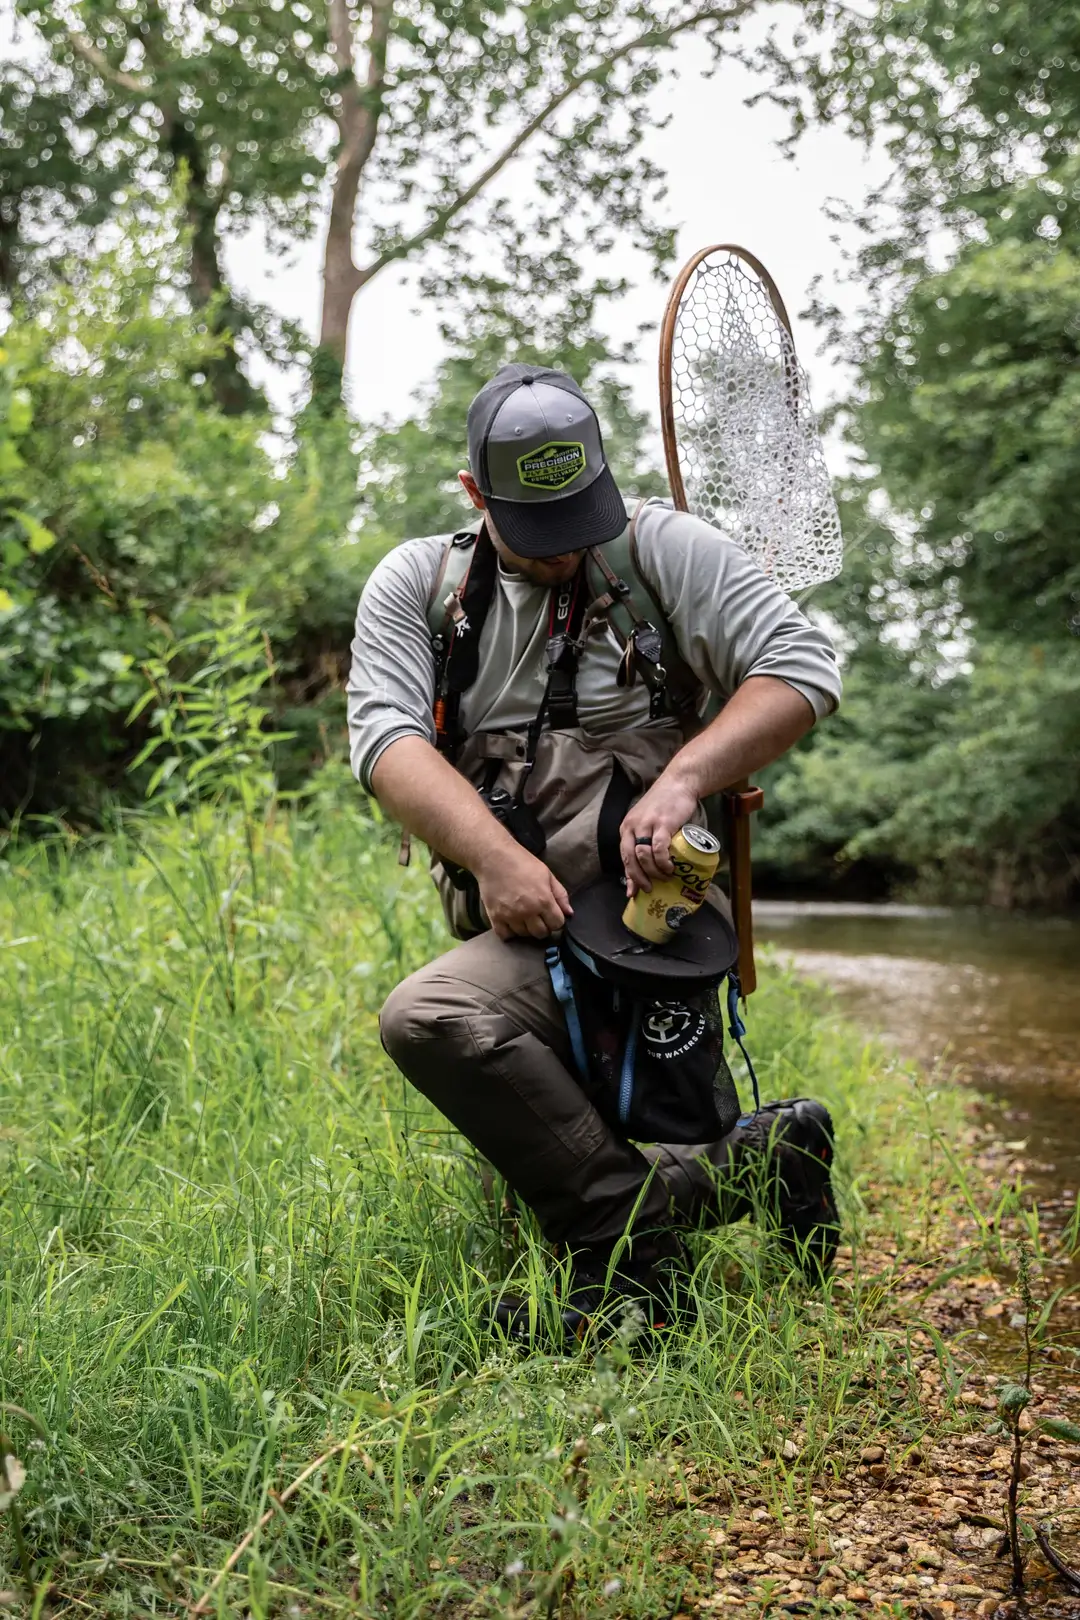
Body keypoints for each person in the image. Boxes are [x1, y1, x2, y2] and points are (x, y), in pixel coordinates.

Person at [347, 363, 843, 1342]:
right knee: (489, 1094)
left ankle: (630, 1268)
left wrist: (681, 779)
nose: (568, 552)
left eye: (581, 521)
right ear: (475, 496)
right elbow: (386, 746)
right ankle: (753, 1164)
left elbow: (802, 669)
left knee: (426, 1017)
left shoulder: (665, 550)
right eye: (540, 531)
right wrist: (493, 859)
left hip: (657, 918)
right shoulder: (420, 585)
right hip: (526, 921)